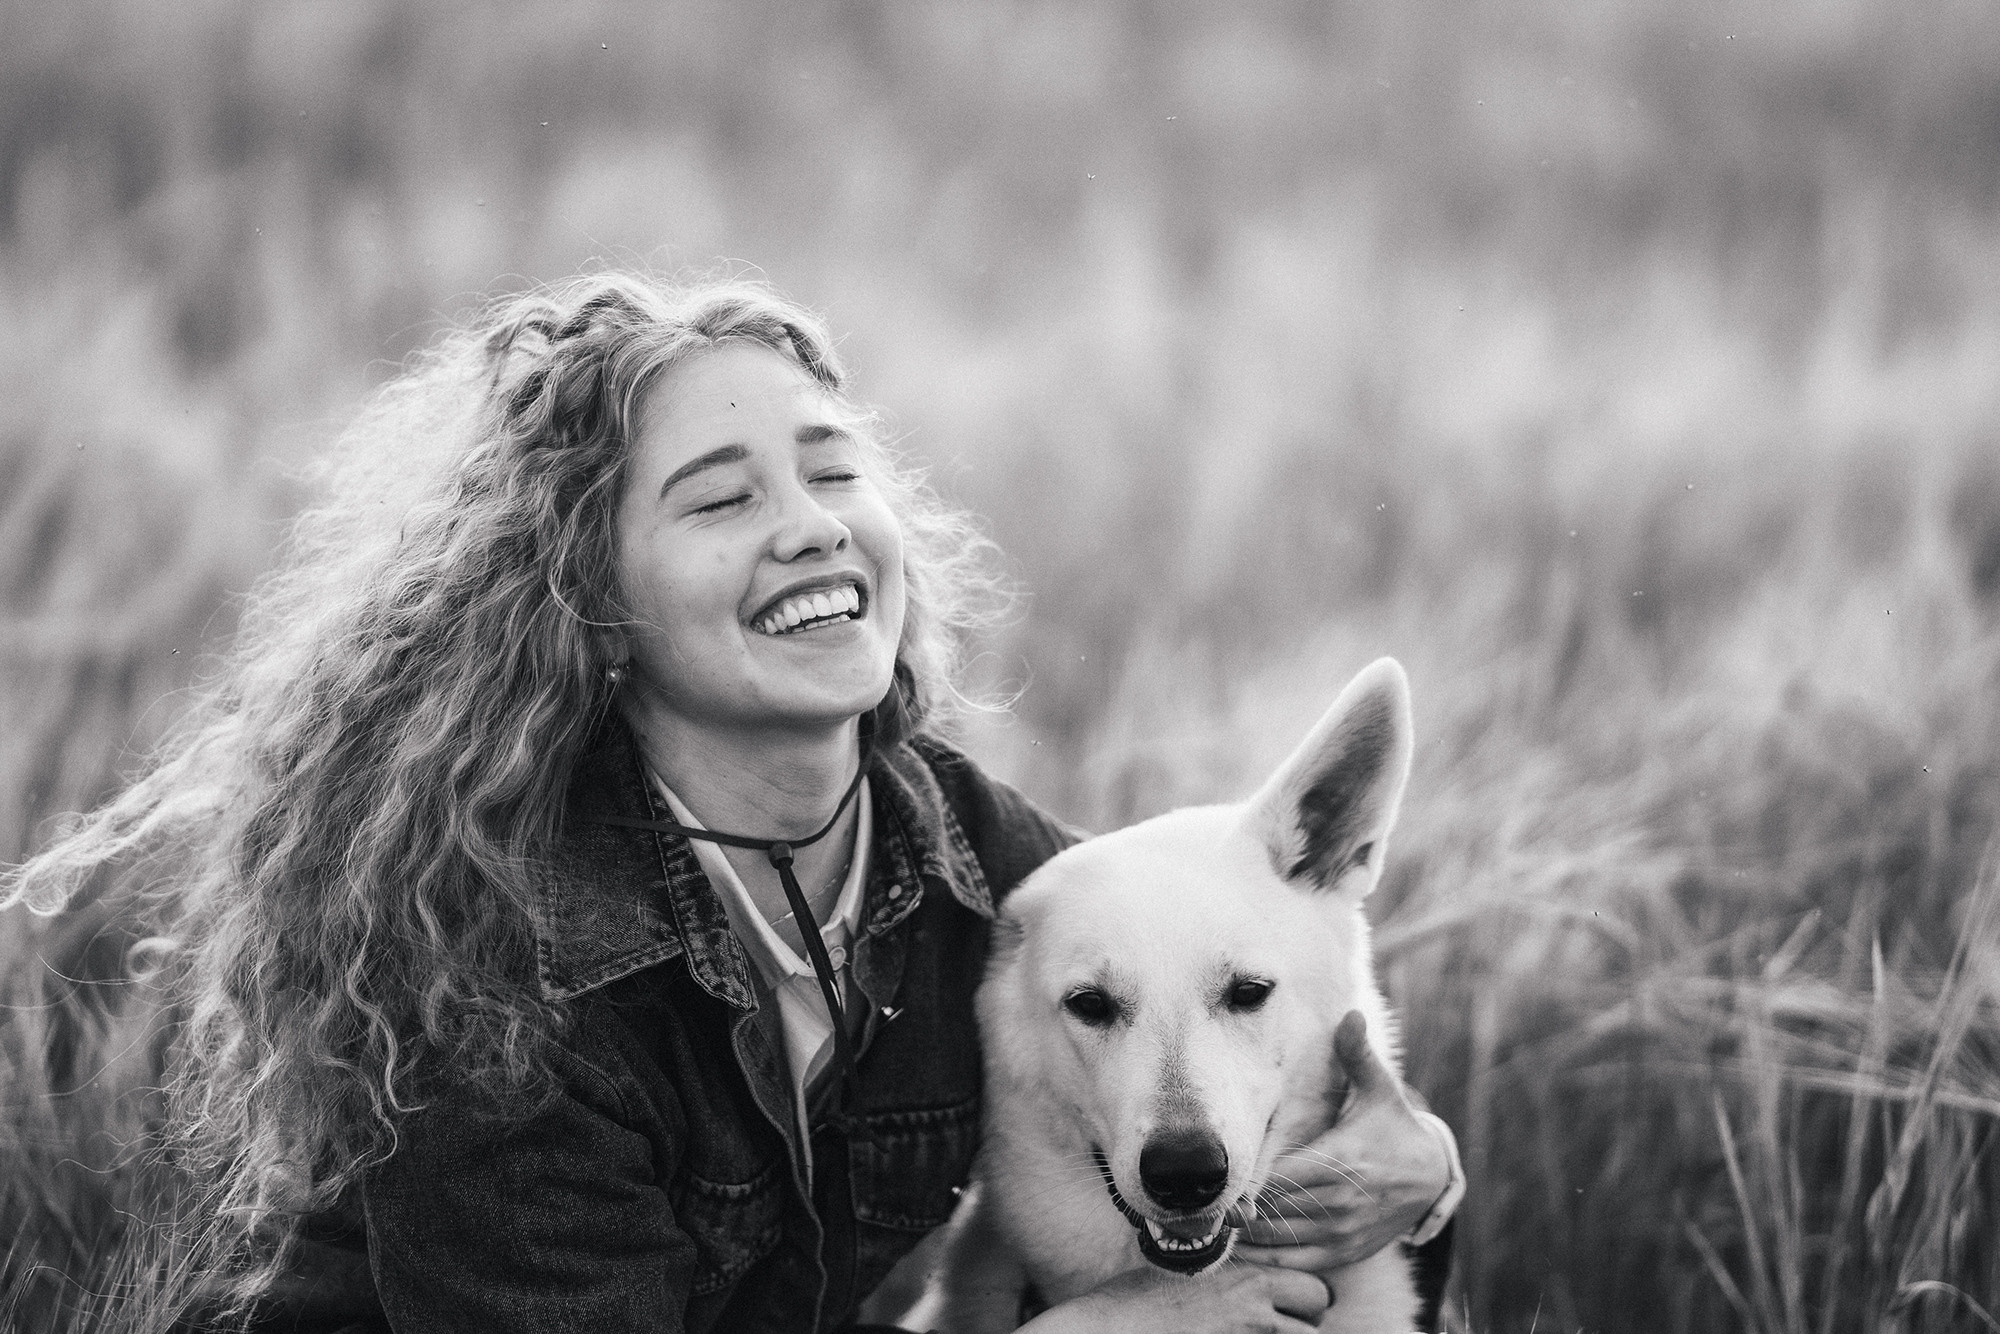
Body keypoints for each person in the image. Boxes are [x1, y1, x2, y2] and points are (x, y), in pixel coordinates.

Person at [3, 273, 1460, 1333]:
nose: (812, 522)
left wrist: (1416, 1167)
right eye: (721, 498)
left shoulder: (967, 858)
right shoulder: (503, 993)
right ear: (582, 605)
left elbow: (1220, 993)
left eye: (833, 469)